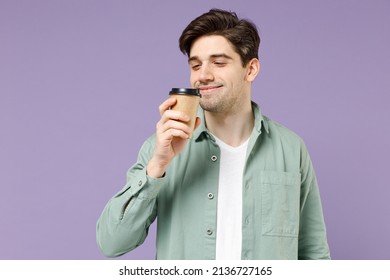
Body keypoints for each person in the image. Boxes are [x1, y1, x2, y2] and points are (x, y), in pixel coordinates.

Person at [96, 9, 330, 260]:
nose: (203, 75)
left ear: (250, 69)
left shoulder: (291, 149)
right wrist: (157, 167)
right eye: (196, 65)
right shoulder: (160, 149)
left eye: (219, 63)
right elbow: (111, 243)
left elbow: (313, 253)